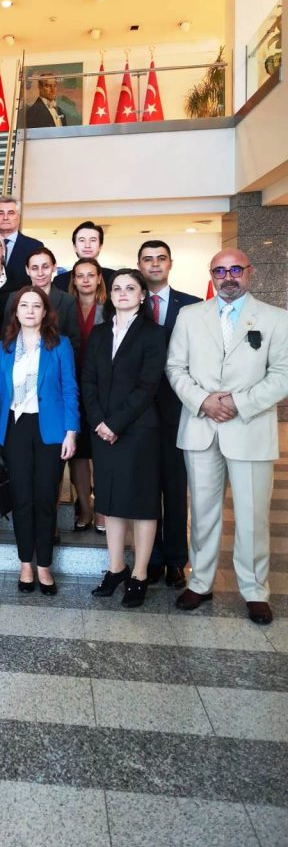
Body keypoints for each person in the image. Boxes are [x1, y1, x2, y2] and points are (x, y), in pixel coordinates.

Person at [167, 249, 288, 625]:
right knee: (203, 513)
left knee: (252, 516)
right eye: (220, 271)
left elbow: (282, 375)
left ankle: (254, 591)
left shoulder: (275, 318)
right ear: (212, 275)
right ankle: (199, 583)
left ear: (249, 272)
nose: (228, 277)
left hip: (249, 428)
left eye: (235, 269)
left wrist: (238, 402)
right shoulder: (190, 316)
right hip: (201, 427)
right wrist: (203, 401)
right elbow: (175, 367)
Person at [0, 286, 78, 595]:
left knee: (45, 498)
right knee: (21, 498)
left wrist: (71, 431)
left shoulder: (60, 344)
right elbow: (0, 393)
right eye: (24, 305)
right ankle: (25, 563)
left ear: (46, 312)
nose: (30, 311)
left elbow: (69, 390)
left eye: (37, 305)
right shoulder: (5, 347)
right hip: (15, 427)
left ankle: (44, 565)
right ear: (16, 311)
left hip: (50, 429)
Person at [82, 269, 167, 608]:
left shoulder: (154, 333)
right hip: (103, 431)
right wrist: (99, 421)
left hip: (138, 430)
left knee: (142, 503)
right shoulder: (100, 332)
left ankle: (140, 574)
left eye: (130, 288)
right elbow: (88, 379)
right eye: (117, 288)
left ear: (142, 295)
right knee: (111, 500)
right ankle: (116, 568)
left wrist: (115, 423)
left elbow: (148, 385)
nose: (122, 293)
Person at [137, 240, 201, 587]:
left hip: (179, 409)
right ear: (139, 265)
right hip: (139, 412)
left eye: (160, 258)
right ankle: (151, 558)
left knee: (176, 488)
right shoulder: (129, 301)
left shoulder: (192, 306)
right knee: (146, 487)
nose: (155, 264)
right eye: (148, 259)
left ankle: (176, 560)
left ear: (170, 263)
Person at [68, 257, 108, 531]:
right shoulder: (65, 306)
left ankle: (103, 510)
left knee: (102, 452)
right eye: (80, 275)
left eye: (90, 275)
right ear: (74, 279)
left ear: (98, 278)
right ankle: (85, 508)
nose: (85, 280)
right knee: (78, 453)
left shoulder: (110, 307)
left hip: (102, 389)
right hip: (72, 388)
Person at [0, 196, 43, 286]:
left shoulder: (34, 246)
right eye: (0, 213)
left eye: (11, 213)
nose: (5, 217)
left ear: (19, 217)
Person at [54, 221, 116, 293]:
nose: (87, 245)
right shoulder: (60, 281)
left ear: (100, 246)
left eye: (93, 240)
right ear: (75, 247)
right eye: (82, 240)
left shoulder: (114, 277)